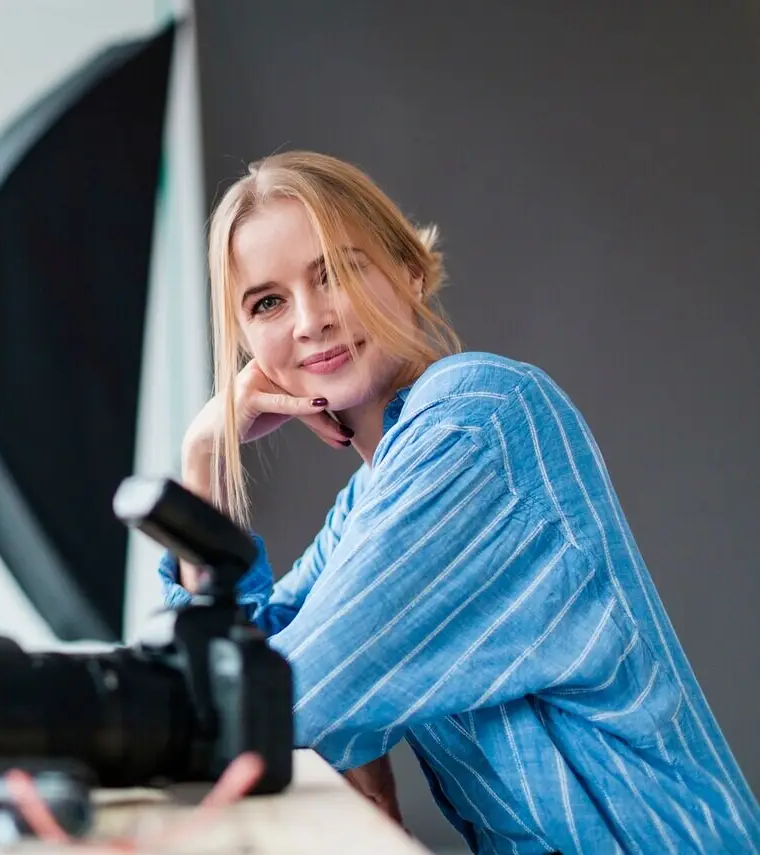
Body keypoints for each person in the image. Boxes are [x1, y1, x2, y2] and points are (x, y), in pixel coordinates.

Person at [158, 150, 760, 854]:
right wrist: (205, 459)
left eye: (337, 272)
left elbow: (272, 705)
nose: (310, 320)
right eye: (268, 302)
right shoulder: (375, 494)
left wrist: (331, 723)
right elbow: (234, 661)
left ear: (409, 270)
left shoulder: (473, 426)